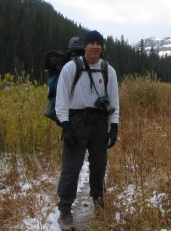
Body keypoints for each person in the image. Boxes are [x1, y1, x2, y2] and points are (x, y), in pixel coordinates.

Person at [55, 30, 119, 230]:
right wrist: (66, 127)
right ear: (84, 47)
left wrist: (114, 126)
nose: (95, 47)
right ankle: (65, 210)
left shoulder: (109, 71)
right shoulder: (70, 68)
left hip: (100, 122)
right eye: (91, 43)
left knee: (99, 164)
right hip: (76, 121)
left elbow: (115, 101)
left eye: (98, 43)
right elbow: (61, 101)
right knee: (71, 167)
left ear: (102, 48)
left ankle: (98, 201)